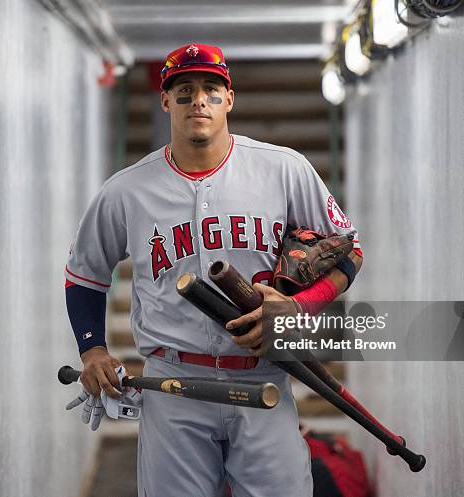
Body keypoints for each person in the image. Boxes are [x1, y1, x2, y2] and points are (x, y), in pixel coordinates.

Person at [64, 43, 363, 497]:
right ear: (165, 102)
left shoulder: (283, 169)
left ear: (230, 99)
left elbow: (349, 250)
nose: (198, 100)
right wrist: (93, 351)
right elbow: (85, 274)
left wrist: (299, 306)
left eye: (211, 89)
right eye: (183, 91)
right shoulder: (126, 191)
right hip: (173, 384)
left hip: (263, 376)